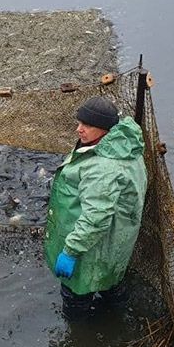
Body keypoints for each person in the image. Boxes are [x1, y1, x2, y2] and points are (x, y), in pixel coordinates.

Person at [45, 96, 148, 318]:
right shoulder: (125, 145)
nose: (78, 130)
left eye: (87, 125)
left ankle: (79, 340)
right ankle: (118, 319)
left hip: (92, 251)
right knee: (111, 284)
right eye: (80, 122)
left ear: (104, 129)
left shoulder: (103, 170)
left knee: (76, 301)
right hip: (116, 243)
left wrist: (71, 251)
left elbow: (95, 218)